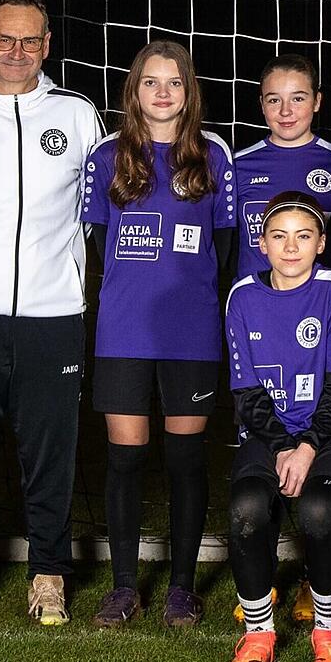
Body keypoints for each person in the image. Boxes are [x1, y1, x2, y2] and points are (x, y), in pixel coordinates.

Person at [0, 0, 104, 630]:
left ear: (47, 45)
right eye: (3, 39)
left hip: (53, 315)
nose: (16, 51)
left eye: (29, 40)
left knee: (51, 455)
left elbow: (101, 213)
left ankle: (49, 574)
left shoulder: (77, 114)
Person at [80, 40, 236, 629]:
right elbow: (101, 244)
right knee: (125, 458)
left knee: (185, 459)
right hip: (123, 330)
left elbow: (224, 250)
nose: (163, 93)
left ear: (189, 91)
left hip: (190, 331)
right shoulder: (107, 155)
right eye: (151, 82)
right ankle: (124, 587)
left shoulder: (213, 156)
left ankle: (181, 588)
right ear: (135, 90)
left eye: (174, 82)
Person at [221, 193, 331, 662]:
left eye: (303, 236)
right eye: (279, 236)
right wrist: (282, 446)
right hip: (268, 433)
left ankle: (330, 630)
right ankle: (258, 632)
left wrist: (308, 445)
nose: (291, 247)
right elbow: (246, 393)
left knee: (319, 509)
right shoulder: (242, 296)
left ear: (321, 243)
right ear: (262, 244)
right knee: (248, 506)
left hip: (328, 432)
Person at [231, 55, 331, 279]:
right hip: (254, 298)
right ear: (262, 104)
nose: (285, 111)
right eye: (274, 100)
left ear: (317, 101)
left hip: (319, 298)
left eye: (297, 99)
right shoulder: (237, 165)